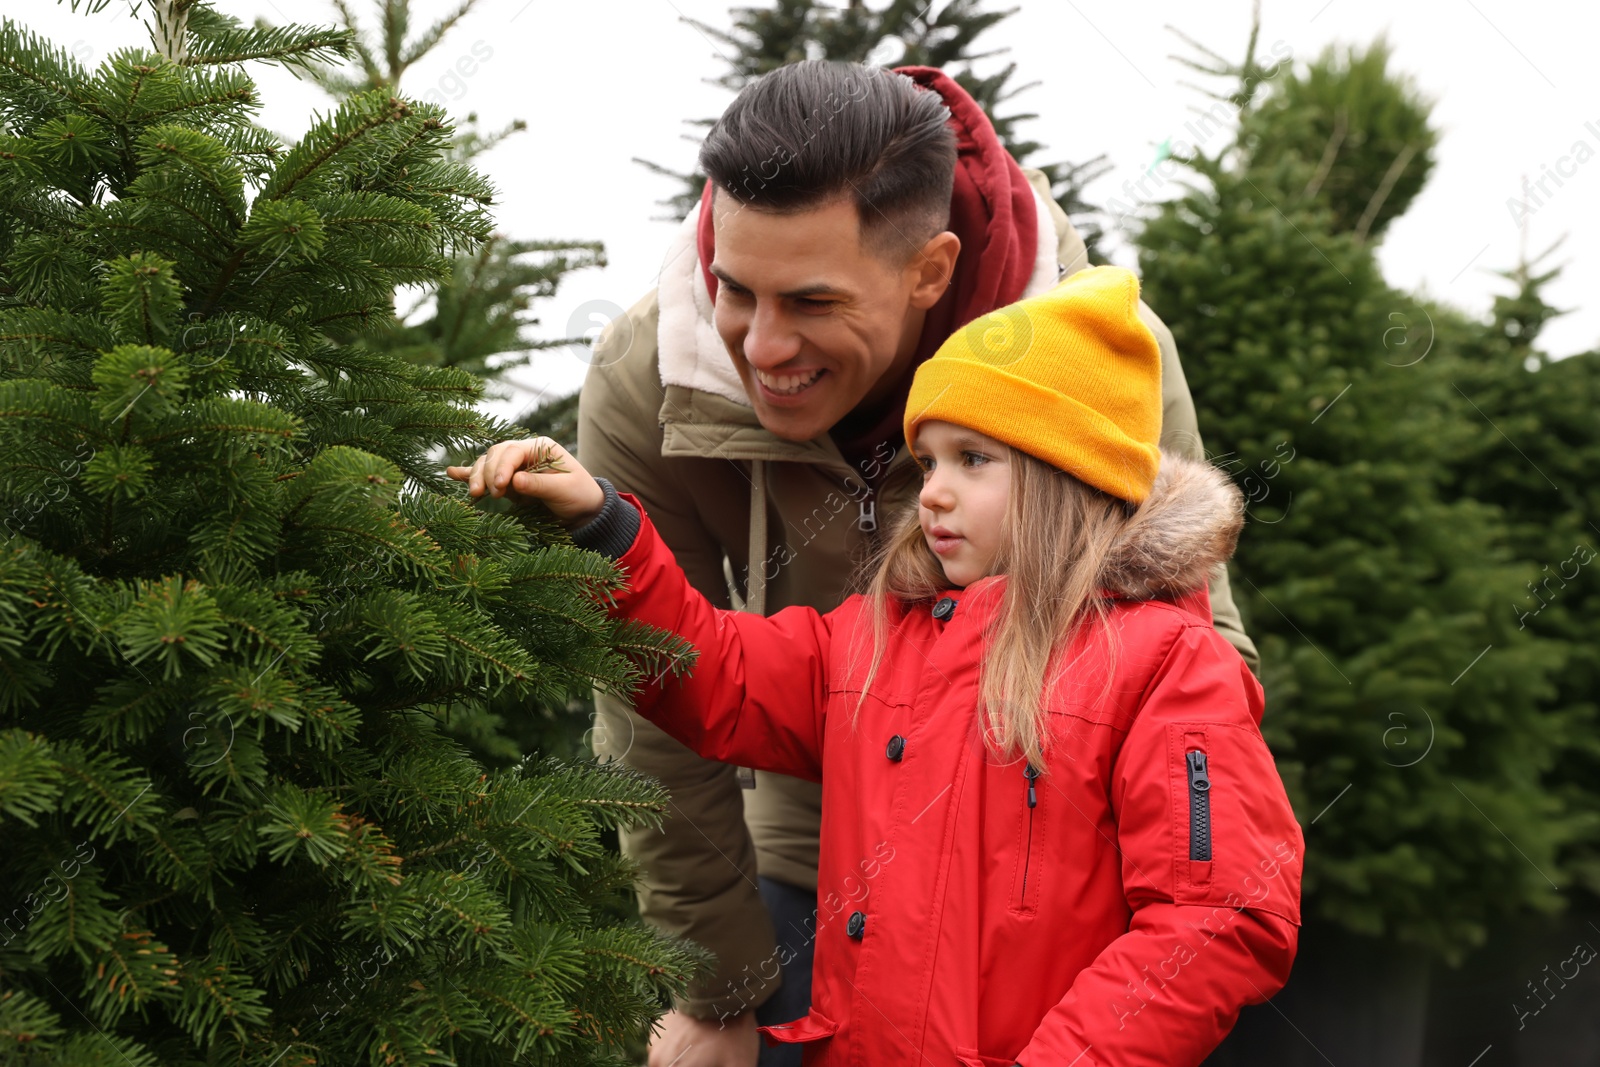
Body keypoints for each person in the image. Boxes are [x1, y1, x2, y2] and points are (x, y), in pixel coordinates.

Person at [456, 60, 1262, 1067]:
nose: (762, 342)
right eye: (735, 289)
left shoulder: (1109, 371)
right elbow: (707, 678)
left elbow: (1213, 885)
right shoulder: (868, 634)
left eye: (810, 300)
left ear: (929, 273)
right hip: (820, 875)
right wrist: (720, 981)